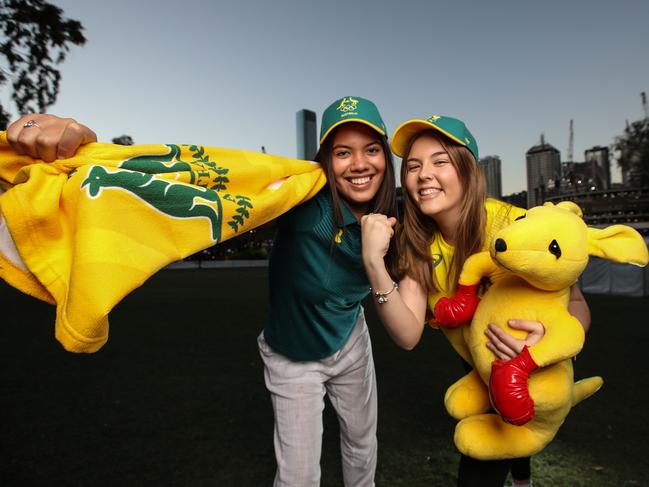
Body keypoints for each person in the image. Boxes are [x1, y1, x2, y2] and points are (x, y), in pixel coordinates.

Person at [360, 114, 591, 487]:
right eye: (414, 166)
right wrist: (374, 264)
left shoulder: (513, 227)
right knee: (500, 415)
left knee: (480, 462)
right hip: (480, 365)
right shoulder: (416, 244)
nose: (423, 175)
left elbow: (579, 306)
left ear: (468, 171)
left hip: (534, 367)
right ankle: (522, 475)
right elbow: (407, 334)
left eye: (440, 162)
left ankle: (519, 471)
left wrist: (546, 339)